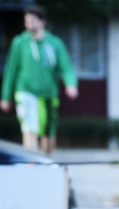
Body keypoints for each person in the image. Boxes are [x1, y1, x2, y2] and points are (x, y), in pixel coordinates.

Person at [0, 4, 78, 154]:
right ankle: (31, 168)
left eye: (32, 20)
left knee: (48, 139)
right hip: (25, 92)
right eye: (26, 20)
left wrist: (71, 84)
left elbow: (66, 67)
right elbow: (11, 70)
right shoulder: (19, 42)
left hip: (48, 95)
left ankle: (45, 165)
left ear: (42, 22)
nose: (29, 24)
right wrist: (5, 96)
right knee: (30, 131)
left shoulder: (55, 43)